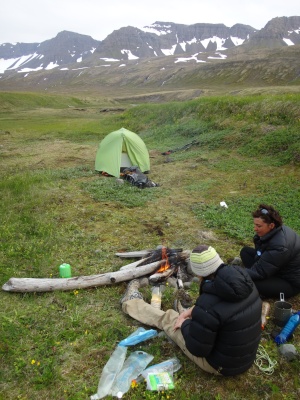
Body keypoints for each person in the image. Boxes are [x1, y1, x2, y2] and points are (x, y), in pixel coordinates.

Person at [121, 245, 262, 376]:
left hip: (219, 365)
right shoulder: (245, 282)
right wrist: (192, 311)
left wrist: (184, 323)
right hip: (243, 360)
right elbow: (223, 310)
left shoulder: (208, 305)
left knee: (169, 318)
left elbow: (197, 349)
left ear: (199, 274)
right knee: (197, 318)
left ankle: (131, 303)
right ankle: (189, 315)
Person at [240, 204, 300, 299]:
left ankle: (264, 290)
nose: (255, 228)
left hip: (289, 282)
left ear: (271, 225)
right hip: (275, 268)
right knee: (245, 252)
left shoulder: (280, 246)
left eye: (258, 226)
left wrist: (235, 273)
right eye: (255, 224)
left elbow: (259, 272)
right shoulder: (277, 229)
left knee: (248, 281)